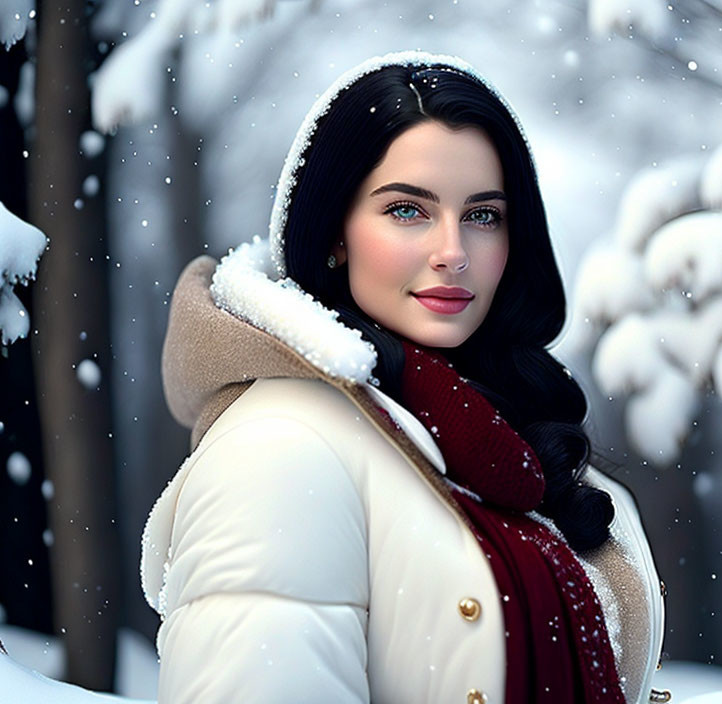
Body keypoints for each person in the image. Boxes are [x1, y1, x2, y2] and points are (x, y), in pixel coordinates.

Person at [140, 51, 668, 704]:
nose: (453, 252)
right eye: (407, 210)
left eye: (483, 216)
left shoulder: (518, 437)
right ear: (336, 233)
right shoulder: (281, 444)